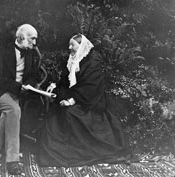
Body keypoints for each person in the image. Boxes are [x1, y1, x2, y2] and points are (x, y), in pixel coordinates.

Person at [36, 34, 134, 167]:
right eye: (69, 44)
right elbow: (65, 82)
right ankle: (64, 150)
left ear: (81, 46)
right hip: (77, 97)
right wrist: (55, 87)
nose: (69, 47)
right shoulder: (72, 60)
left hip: (89, 103)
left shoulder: (91, 64)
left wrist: (71, 101)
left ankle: (78, 152)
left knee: (71, 113)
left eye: (73, 45)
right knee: (54, 115)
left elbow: (90, 88)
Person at [0, 24, 41, 175]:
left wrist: (28, 86)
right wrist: (18, 87)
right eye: (32, 39)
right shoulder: (4, 52)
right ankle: (12, 161)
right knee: (14, 109)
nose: (35, 43)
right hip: (1, 93)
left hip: (20, 95)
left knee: (9, 115)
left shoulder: (30, 53)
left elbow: (34, 75)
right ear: (20, 37)